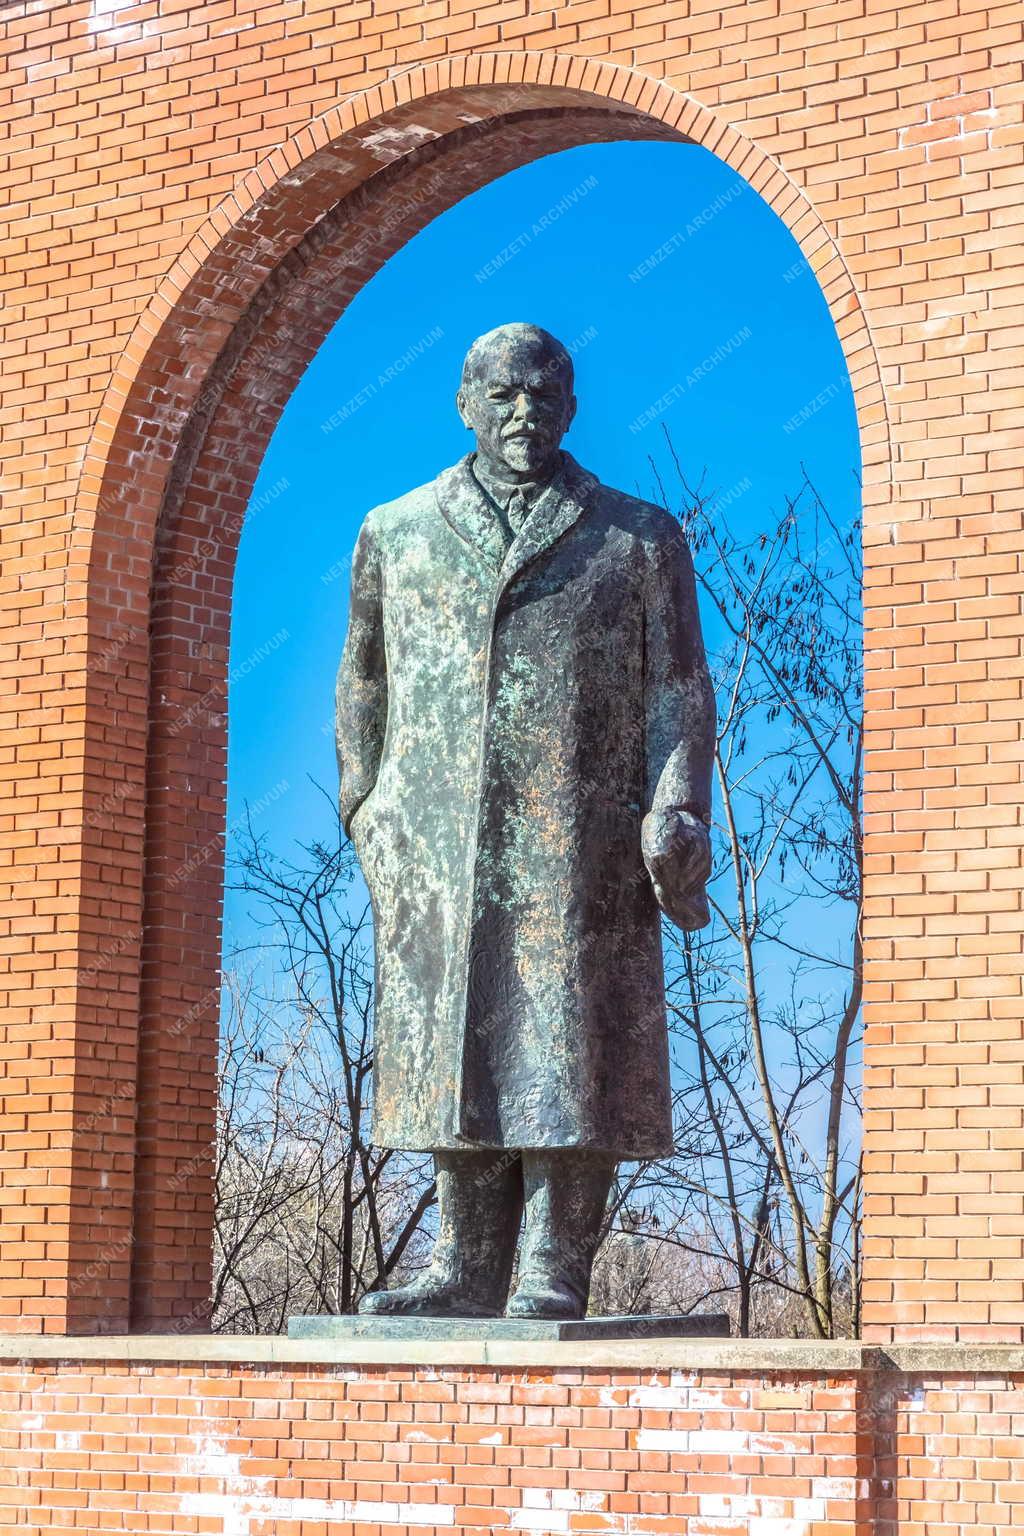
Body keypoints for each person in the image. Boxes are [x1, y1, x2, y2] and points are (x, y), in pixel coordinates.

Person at [337, 322, 715, 1319]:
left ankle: (553, 1265)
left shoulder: (637, 535)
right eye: (502, 393)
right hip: (433, 840)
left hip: (581, 836)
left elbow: (678, 688)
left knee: (572, 1042)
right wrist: (366, 805)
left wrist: (677, 803)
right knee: (448, 1041)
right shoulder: (396, 529)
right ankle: (462, 1266)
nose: (523, 411)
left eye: (543, 393)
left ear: (572, 408)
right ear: (464, 404)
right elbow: (364, 678)